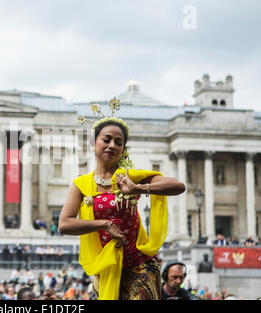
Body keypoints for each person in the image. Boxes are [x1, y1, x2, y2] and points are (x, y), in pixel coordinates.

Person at [58, 103, 186, 300]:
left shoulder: (130, 177)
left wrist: (138, 189)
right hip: (106, 268)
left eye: (119, 142)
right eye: (106, 140)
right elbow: (64, 224)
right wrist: (104, 224)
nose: (112, 145)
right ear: (93, 144)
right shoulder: (81, 184)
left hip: (140, 266)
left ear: (123, 149)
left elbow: (178, 186)